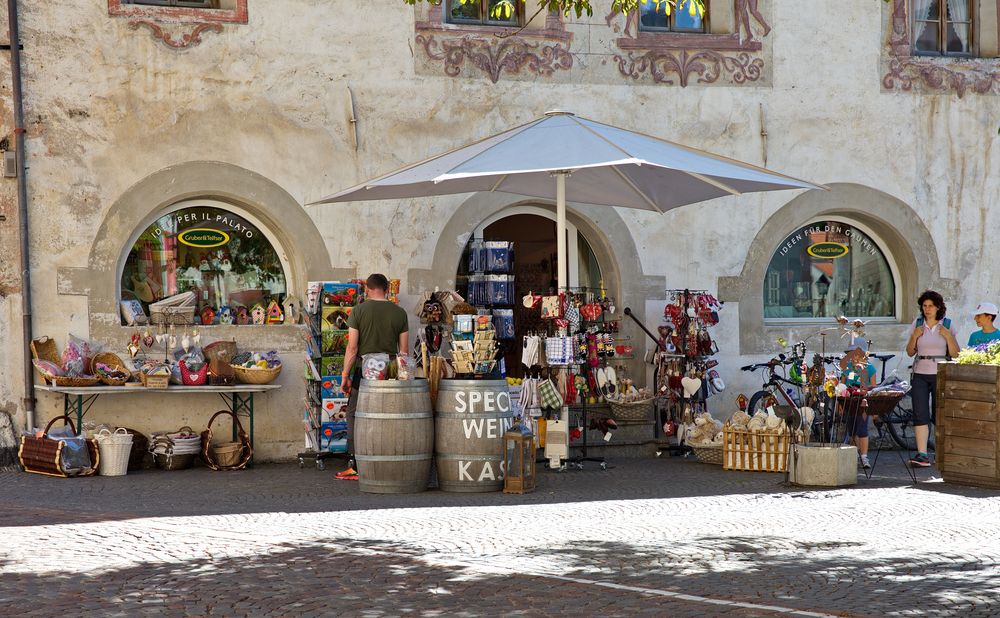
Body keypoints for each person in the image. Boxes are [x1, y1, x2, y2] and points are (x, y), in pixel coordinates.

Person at [339, 274, 410, 477]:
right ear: (387, 288)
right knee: (388, 414)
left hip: (365, 370)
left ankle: (355, 462)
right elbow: (403, 351)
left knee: (354, 413)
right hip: (390, 371)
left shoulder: (359, 311)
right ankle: (388, 457)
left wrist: (345, 375)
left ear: (367, 289)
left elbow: (352, 348)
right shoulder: (399, 313)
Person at [905, 290, 959, 468]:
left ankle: (941, 453)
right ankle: (922, 454)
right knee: (920, 413)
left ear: (938, 307)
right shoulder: (917, 323)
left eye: (930, 306)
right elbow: (910, 352)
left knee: (939, 414)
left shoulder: (948, 324)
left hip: (940, 373)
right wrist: (914, 336)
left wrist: (948, 336)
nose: (927, 309)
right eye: (924, 306)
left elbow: (956, 354)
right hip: (920, 373)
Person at [839, 339, 877, 469]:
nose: (854, 357)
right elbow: (842, 385)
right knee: (851, 429)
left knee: (862, 429)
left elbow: (873, 386)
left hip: (863, 402)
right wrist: (841, 403)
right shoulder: (847, 368)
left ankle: (864, 456)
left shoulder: (869, 368)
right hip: (849, 401)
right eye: (851, 354)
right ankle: (854, 453)